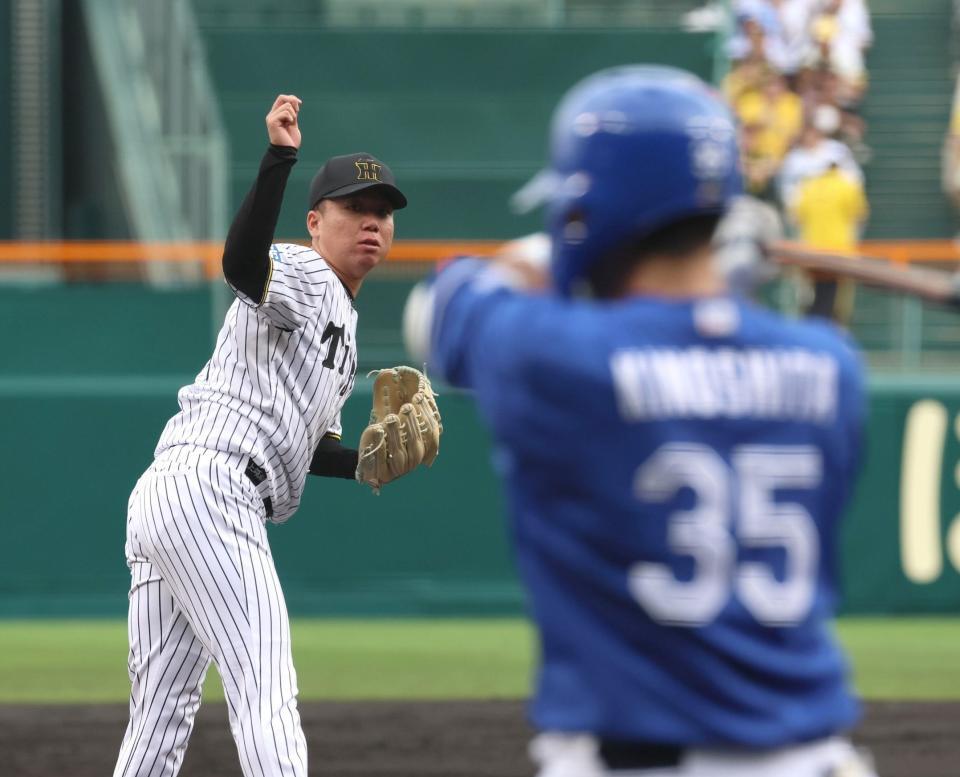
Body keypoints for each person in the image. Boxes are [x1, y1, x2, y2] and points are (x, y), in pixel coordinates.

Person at [405, 66, 876, 776]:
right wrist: (728, 272)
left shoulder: (553, 357)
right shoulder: (832, 365)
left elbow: (441, 309)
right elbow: (711, 333)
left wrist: (534, 256)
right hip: (817, 756)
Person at [113, 94, 410, 777]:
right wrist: (278, 159)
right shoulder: (306, 272)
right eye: (354, 208)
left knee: (161, 713)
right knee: (265, 686)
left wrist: (368, 459)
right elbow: (243, 267)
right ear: (315, 221)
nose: (372, 221)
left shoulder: (344, 325)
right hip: (212, 490)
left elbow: (312, 451)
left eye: (383, 211)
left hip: (175, 494)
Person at [790, 148, 869, 324]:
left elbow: (796, 217)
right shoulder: (848, 186)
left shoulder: (807, 186)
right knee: (839, 305)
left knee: (812, 298)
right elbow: (860, 215)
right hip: (840, 251)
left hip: (811, 253)